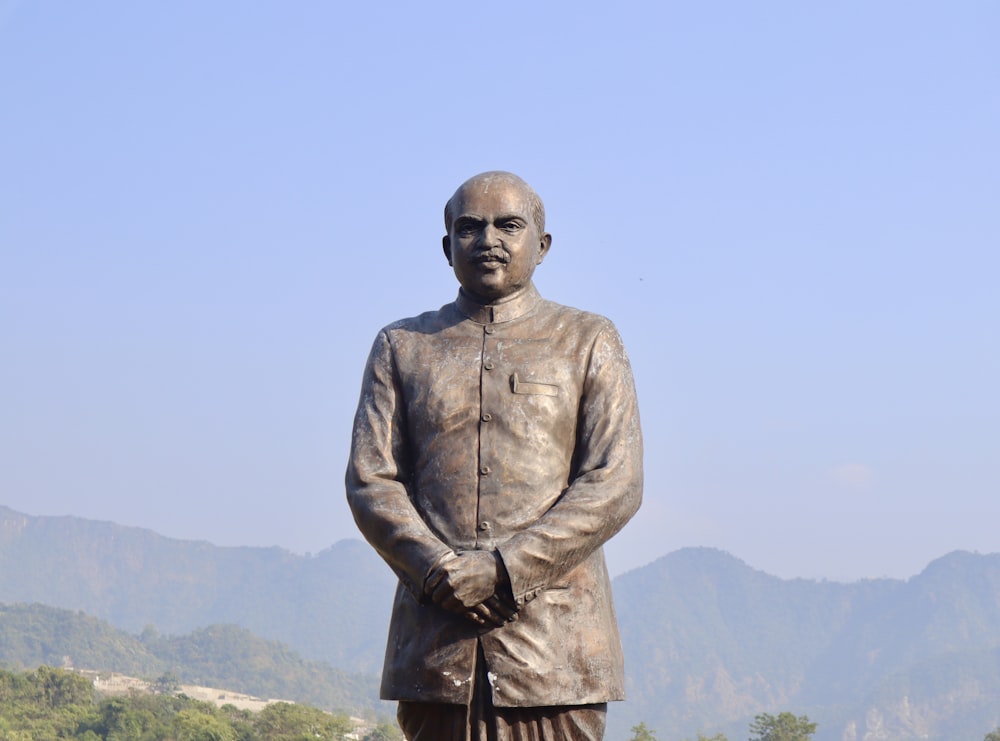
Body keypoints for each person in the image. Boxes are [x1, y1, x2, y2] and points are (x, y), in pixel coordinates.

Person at [346, 171, 643, 741]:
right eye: (469, 228)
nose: (488, 240)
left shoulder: (587, 340)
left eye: (509, 225)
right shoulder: (401, 346)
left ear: (543, 244)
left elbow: (615, 480)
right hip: (437, 648)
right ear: (446, 247)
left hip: (557, 651)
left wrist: (504, 571)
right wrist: (438, 572)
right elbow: (371, 481)